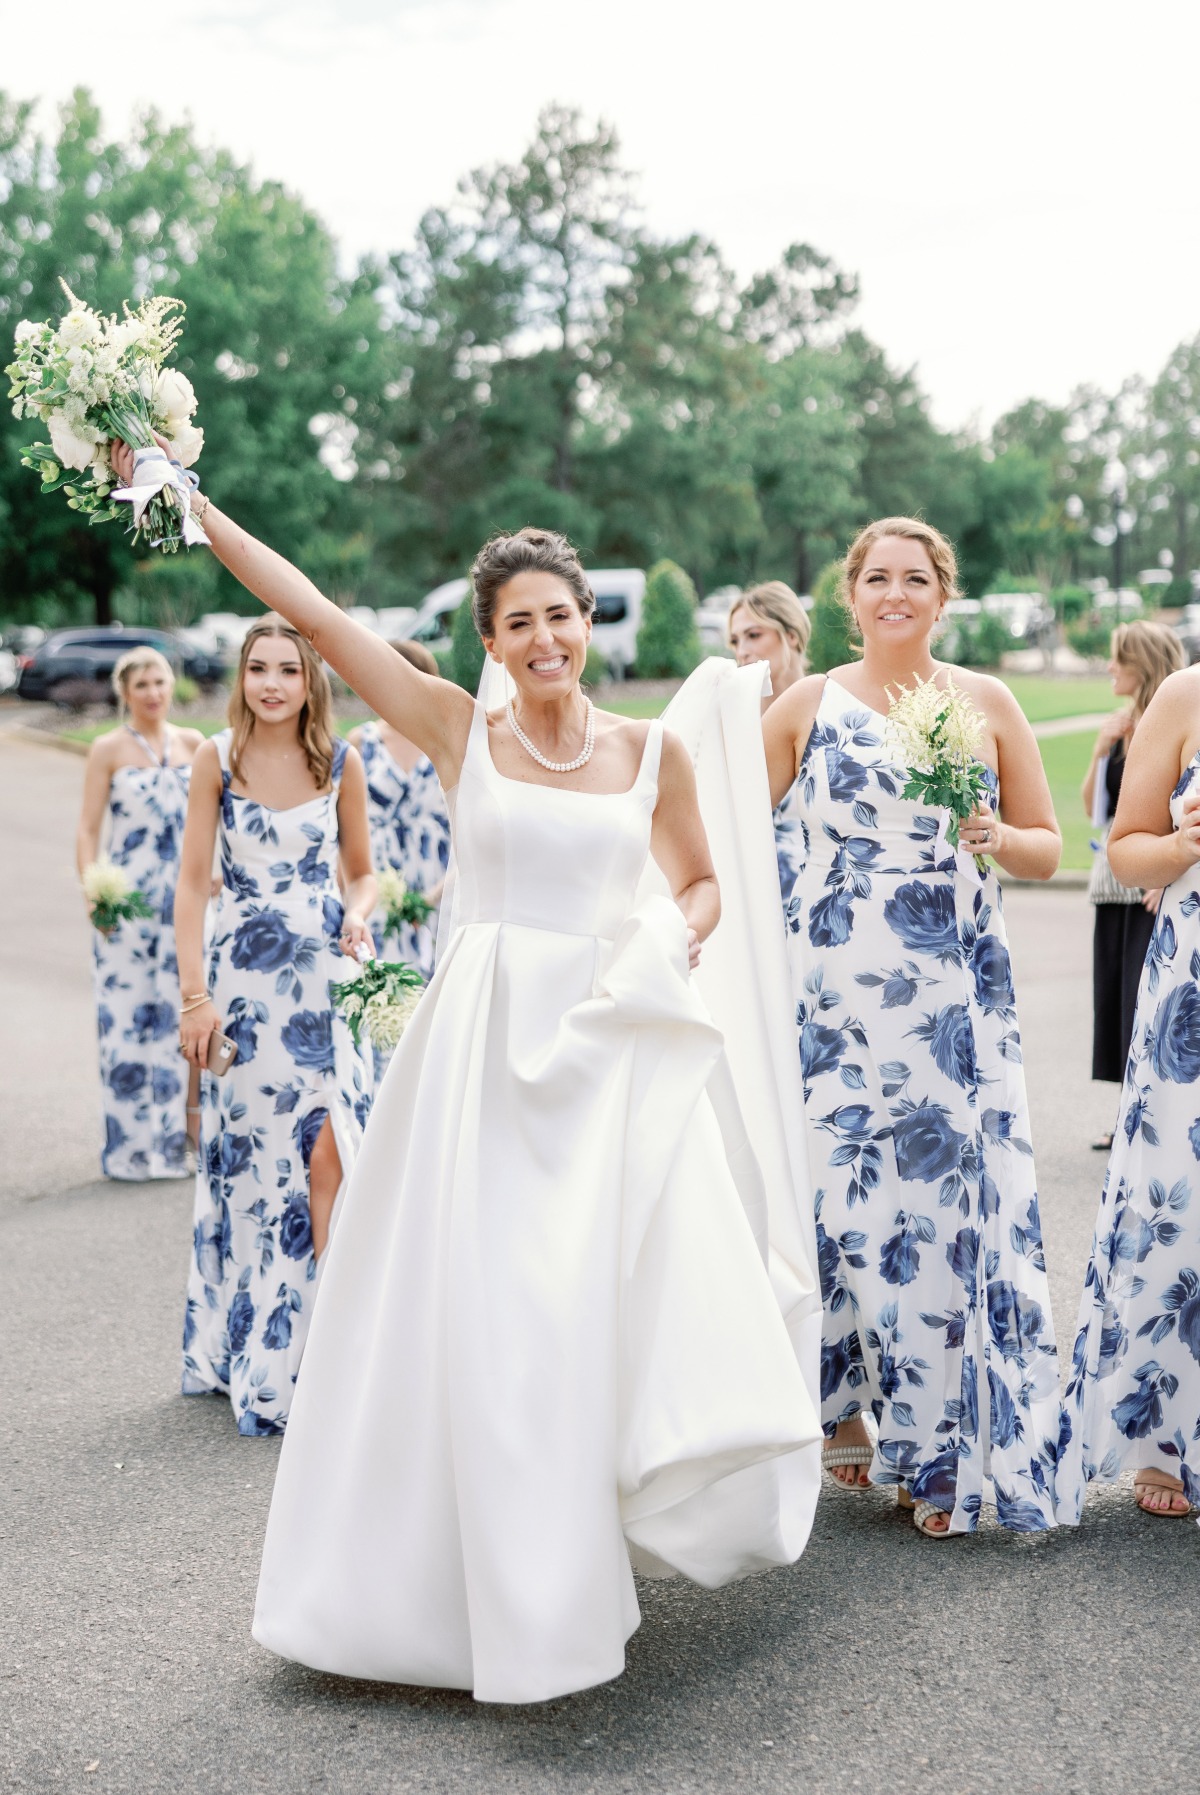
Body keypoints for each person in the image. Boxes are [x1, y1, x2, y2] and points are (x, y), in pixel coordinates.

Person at [139, 451, 820, 1698]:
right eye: (520, 622)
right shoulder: (461, 727)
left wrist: (668, 939)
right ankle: (454, 1596)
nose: (545, 636)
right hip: (481, 1059)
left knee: (575, 1312)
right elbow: (320, 618)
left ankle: (560, 1578)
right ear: (491, 640)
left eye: (560, 614)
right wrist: (197, 506)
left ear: (585, 620)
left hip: (603, 1053)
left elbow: (704, 880)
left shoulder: (649, 750)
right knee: (486, 1317)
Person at [762, 516, 1064, 1535]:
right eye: (878, 578)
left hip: (952, 994)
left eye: (917, 578)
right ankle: (842, 1403)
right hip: (838, 1000)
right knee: (845, 1202)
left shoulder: (985, 700)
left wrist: (995, 832)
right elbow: (733, 833)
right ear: (851, 594)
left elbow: (1046, 847)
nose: (897, 593)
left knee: (939, 1215)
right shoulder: (805, 704)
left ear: (945, 593)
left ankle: (938, 1453)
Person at [169, 613, 377, 1437]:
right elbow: (191, 884)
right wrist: (194, 996)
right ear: (243, 677)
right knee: (258, 1165)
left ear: (310, 679)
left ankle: (330, 1354)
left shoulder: (342, 760)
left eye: (289, 669)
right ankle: (261, 1359)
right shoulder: (214, 761)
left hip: (328, 982)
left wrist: (358, 915)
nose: (273, 684)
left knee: (330, 1151)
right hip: (245, 988)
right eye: (259, 668)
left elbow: (361, 874)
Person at [1060, 660, 1200, 1521]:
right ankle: (1164, 1430)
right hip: (1195, 985)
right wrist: (1186, 843)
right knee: (1179, 1200)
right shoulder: (1187, 694)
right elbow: (1127, 844)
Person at [75, 646, 205, 1179]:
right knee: (126, 1024)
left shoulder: (194, 744)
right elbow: (87, 829)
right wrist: (93, 893)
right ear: (124, 693)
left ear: (172, 687)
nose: (153, 693)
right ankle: (128, 1150)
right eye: (142, 685)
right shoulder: (107, 749)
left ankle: (174, 1146)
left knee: (180, 1021)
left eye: (160, 682)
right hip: (126, 907)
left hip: (183, 904)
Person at [1082, 621, 1184, 1150]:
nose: (1109, 667)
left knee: (1146, 1005)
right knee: (1117, 997)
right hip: (1111, 885)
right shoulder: (1123, 726)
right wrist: (1102, 749)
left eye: (1118, 659)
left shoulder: (1171, 721)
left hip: (1153, 888)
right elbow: (1092, 809)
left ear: (1140, 663)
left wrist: (1163, 872)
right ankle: (1127, 1110)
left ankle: (1145, 1111)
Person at [346, 638, 450, 981]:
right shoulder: (361, 741)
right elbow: (342, 827)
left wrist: (434, 897)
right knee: (381, 987)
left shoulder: (447, 738)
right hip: (378, 883)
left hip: (439, 881)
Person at [727, 582, 811, 908]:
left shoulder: (831, 712)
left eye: (754, 635)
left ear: (791, 634)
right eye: (735, 640)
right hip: (750, 895)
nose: (742, 649)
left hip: (817, 890)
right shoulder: (732, 723)